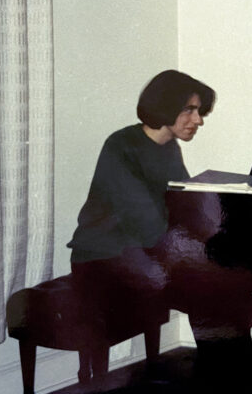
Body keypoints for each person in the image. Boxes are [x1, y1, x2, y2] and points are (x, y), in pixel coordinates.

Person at [66, 69, 215, 382]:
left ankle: (220, 373)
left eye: (198, 111)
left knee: (218, 277)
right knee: (203, 282)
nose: (197, 120)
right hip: (102, 253)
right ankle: (215, 375)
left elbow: (182, 202)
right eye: (189, 110)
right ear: (166, 105)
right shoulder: (121, 146)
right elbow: (145, 218)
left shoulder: (168, 147)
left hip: (142, 249)